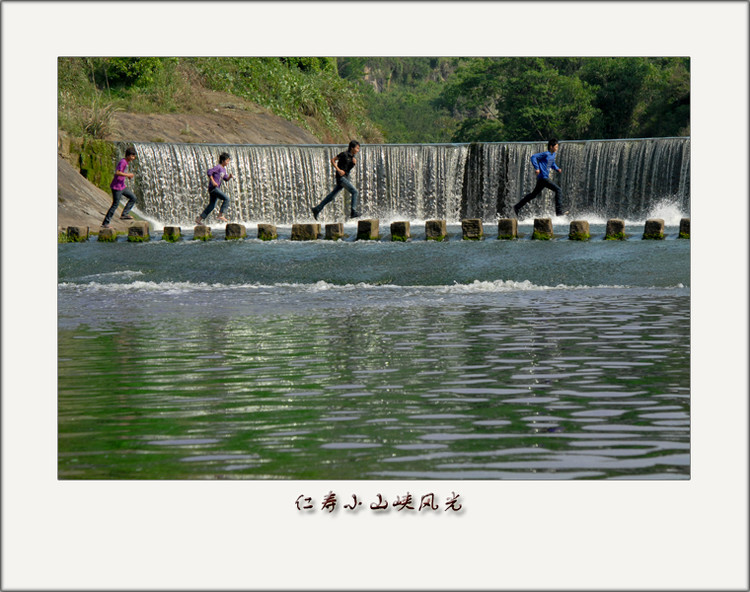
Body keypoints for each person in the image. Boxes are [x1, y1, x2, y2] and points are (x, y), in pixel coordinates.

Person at [513, 138, 568, 217]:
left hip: (542, 179)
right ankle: (559, 212)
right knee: (558, 190)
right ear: (551, 147)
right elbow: (533, 157)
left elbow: (551, 163)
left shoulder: (553, 155)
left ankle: (517, 207)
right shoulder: (546, 154)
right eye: (556, 146)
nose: (557, 148)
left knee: (533, 195)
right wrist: (537, 168)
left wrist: (557, 168)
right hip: (543, 178)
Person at [311, 140, 361, 220]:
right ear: (352, 148)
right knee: (355, 191)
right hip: (341, 178)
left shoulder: (352, 158)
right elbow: (333, 160)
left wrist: (353, 164)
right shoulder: (344, 154)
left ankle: (317, 209)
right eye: (357, 148)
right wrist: (338, 169)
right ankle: (353, 212)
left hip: (344, 177)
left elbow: (347, 169)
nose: (358, 150)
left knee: (332, 196)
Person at [101, 147, 138, 228]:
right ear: (128, 155)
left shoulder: (126, 162)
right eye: (132, 156)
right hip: (116, 187)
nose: (133, 158)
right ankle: (105, 223)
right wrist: (128, 175)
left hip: (122, 186)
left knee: (133, 198)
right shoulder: (123, 162)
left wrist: (127, 176)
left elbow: (122, 172)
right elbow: (117, 172)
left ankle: (124, 214)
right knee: (115, 204)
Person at [196, 152, 233, 224]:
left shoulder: (224, 170)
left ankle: (199, 219)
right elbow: (209, 172)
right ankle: (220, 215)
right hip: (213, 188)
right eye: (227, 161)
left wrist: (229, 177)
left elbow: (225, 179)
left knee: (212, 205)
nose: (228, 162)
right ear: (223, 161)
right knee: (227, 198)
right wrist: (213, 181)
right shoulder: (218, 167)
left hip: (215, 189)